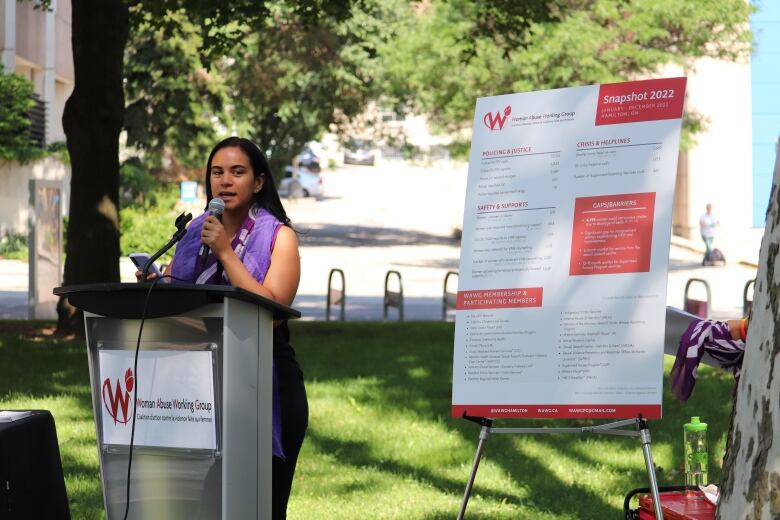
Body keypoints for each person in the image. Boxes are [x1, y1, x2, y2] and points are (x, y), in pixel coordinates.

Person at [137, 136, 307, 519]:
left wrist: (226, 253)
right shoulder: (196, 232)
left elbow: (274, 310)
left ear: (258, 182)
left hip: (266, 385)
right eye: (217, 172)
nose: (225, 181)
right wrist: (157, 284)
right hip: (199, 387)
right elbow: (186, 297)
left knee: (259, 506)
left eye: (237, 172)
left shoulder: (279, 236)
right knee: (208, 506)